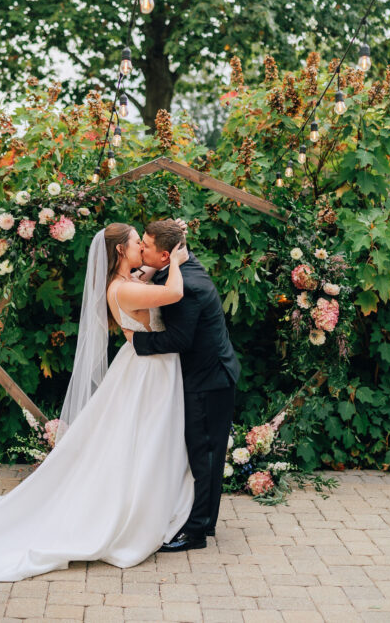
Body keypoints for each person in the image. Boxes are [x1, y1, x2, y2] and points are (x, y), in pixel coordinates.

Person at [0, 223, 194, 581]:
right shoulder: (124, 290)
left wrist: (168, 246)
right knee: (143, 438)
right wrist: (177, 260)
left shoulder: (128, 281)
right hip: (147, 374)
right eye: (137, 243)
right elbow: (174, 293)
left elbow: (148, 273)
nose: (143, 250)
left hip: (149, 368)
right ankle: (135, 508)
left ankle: (149, 499)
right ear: (121, 251)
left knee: (142, 439)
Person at [126, 219, 240, 551]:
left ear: (165, 255)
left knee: (203, 454)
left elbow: (179, 339)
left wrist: (136, 341)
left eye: (147, 245)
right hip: (212, 374)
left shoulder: (187, 287)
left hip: (209, 380)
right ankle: (206, 521)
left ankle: (196, 533)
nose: (142, 248)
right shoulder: (179, 266)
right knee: (208, 453)